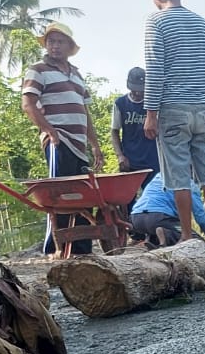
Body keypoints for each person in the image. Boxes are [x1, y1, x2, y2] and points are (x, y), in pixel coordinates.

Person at [142, 0, 205, 243]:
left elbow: (155, 69)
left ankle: (187, 236)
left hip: (173, 109)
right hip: (202, 108)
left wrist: (151, 114)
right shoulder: (203, 23)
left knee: (179, 178)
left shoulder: (156, 22)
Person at [21, 21, 103, 255]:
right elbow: (28, 104)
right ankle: (54, 248)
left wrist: (95, 145)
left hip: (79, 145)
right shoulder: (38, 70)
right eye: (51, 42)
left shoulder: (76, 75)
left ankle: (82, 248)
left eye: (60, 42)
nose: (55, 46)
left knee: (83, 196)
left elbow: (85, 113)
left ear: (69, 46)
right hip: (59, 141)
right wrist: (49, 130)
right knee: (60, 196)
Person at [128, 173, 205, 247]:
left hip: (136, 218)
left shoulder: (159, 176)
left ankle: (153, 240)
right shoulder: (188, 183)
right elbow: (202, 219)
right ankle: (165, 233)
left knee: (159, 227)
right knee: (194, 239)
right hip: (159, 217)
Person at [111, 66, 159, 185]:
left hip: (153, 160)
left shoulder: (154, 104)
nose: (138, 93)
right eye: (135, 89)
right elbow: (114, 131)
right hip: (129, 161)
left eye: (141, 90)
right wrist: (120, 156)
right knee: (127, 195)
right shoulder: (120, 103)